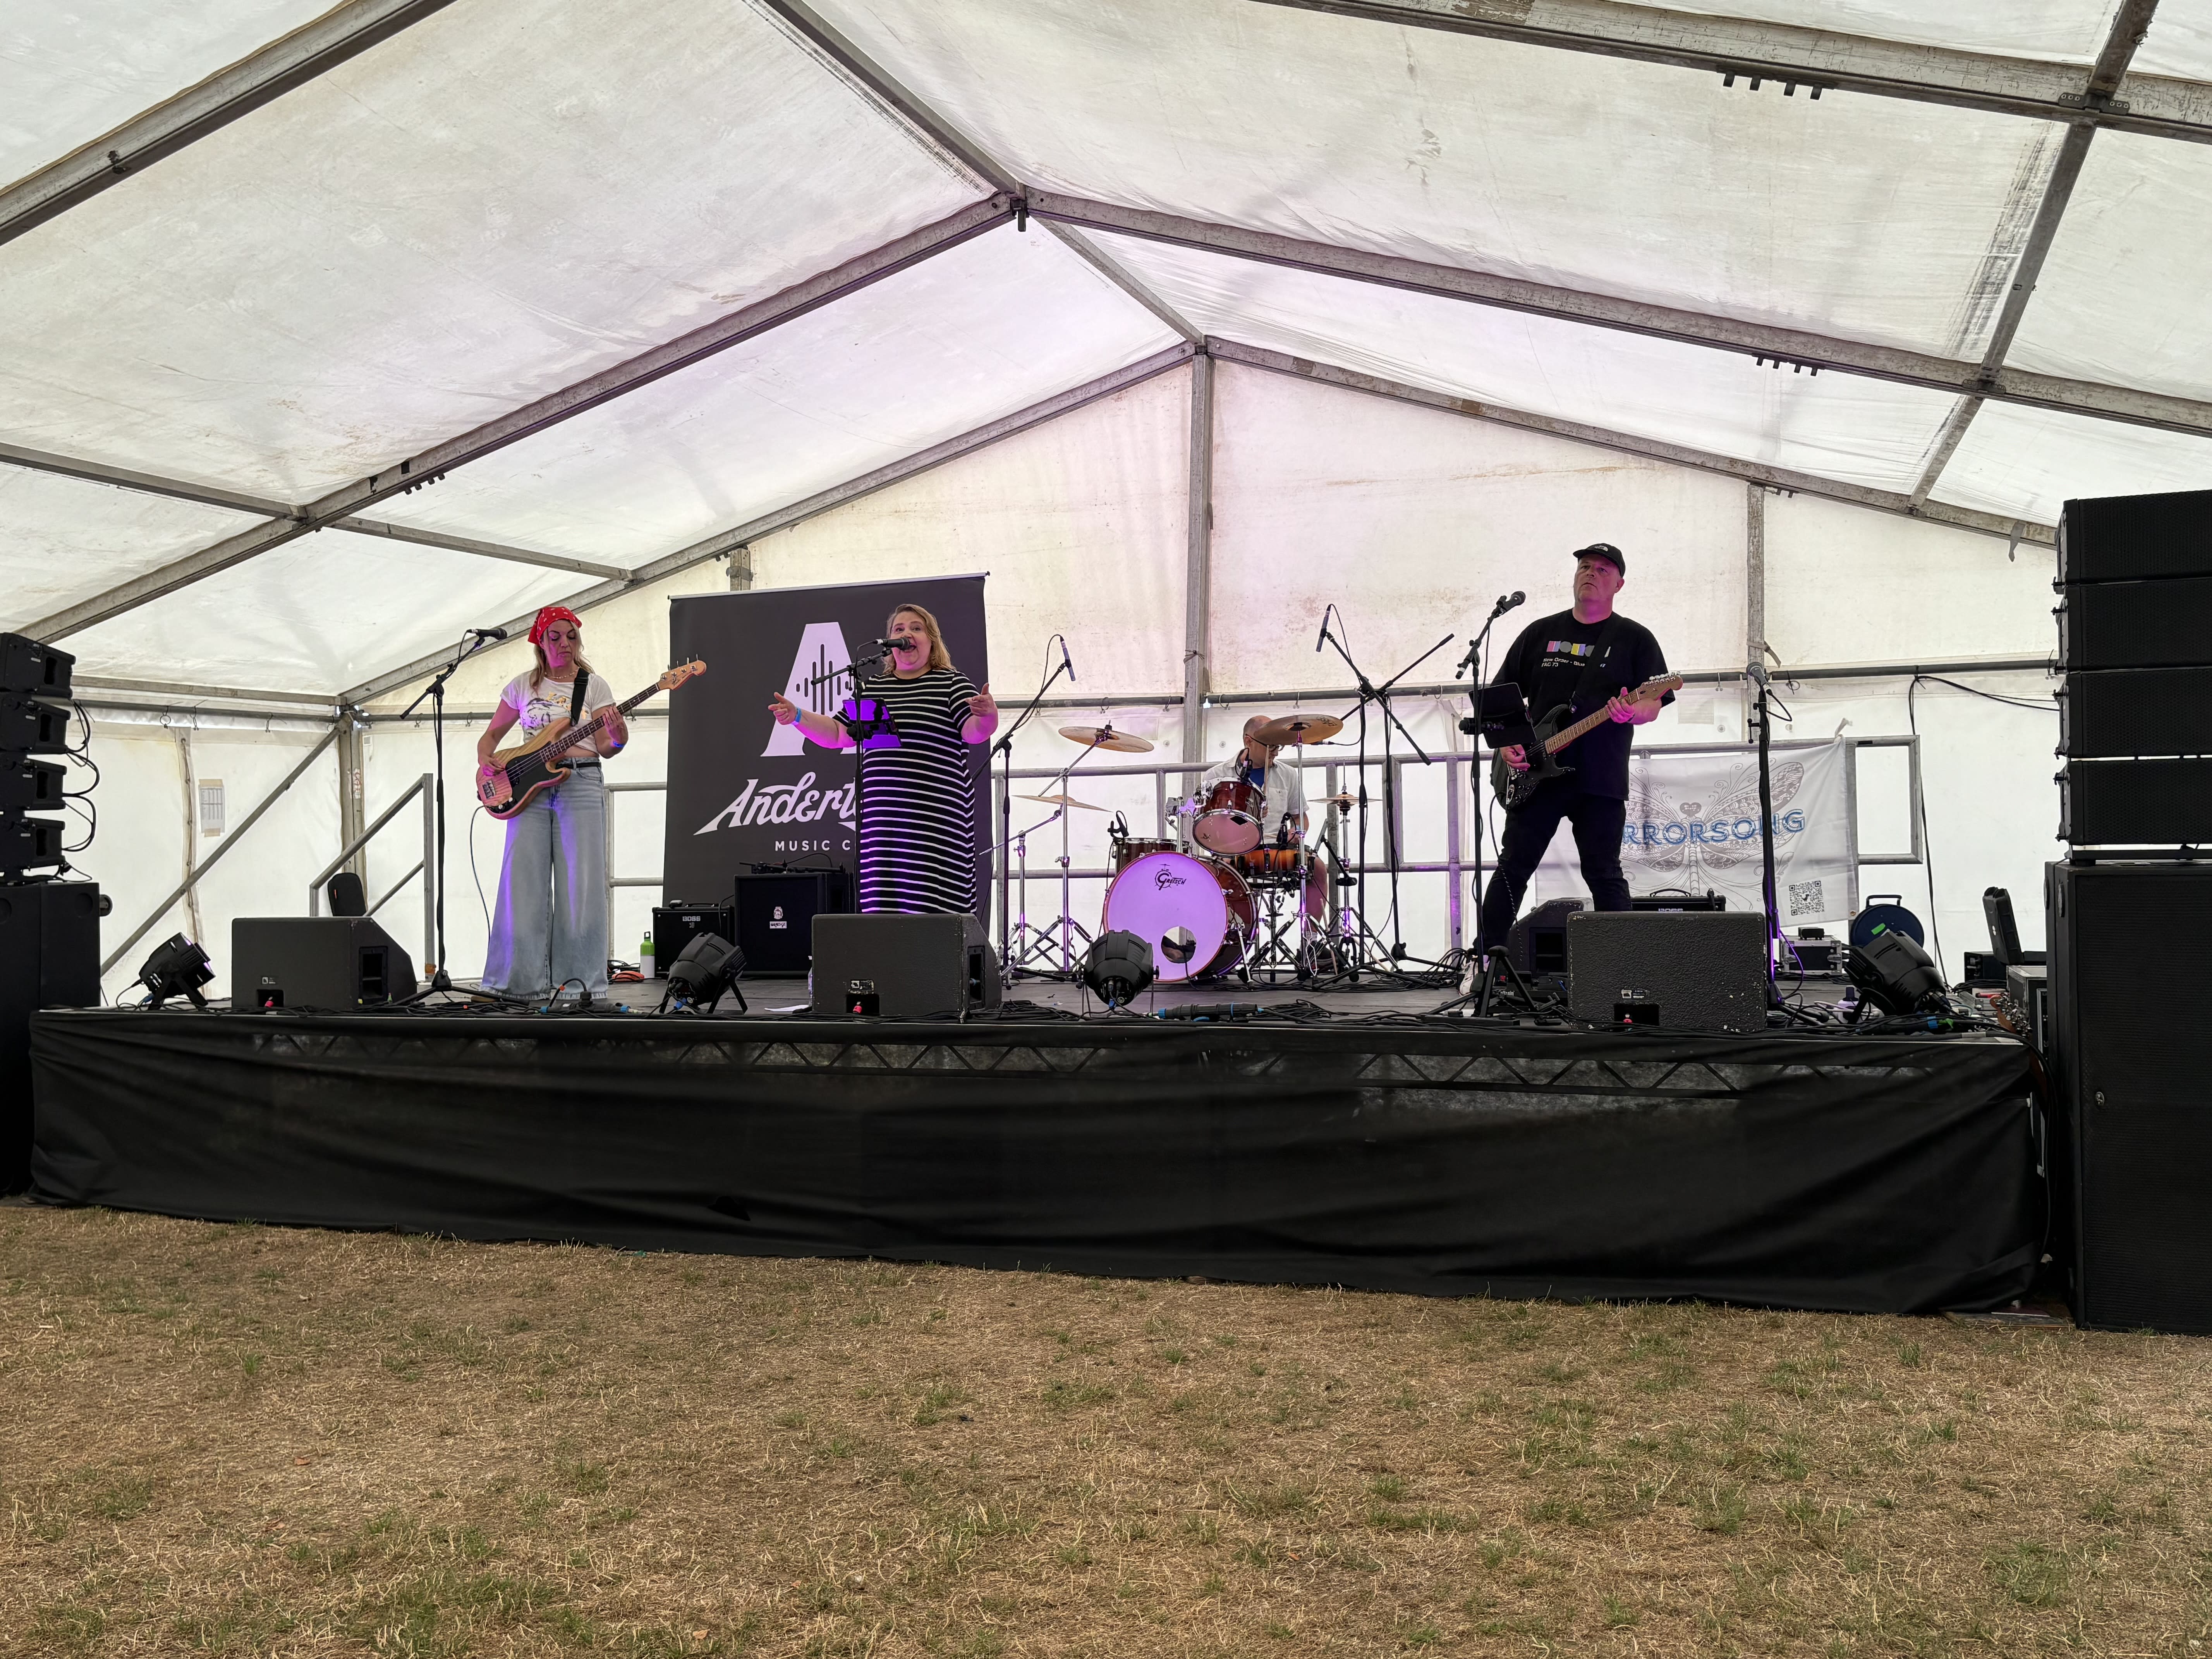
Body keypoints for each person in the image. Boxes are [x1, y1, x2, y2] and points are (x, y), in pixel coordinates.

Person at [1477, 542, 1672, 953]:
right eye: (1585, 566)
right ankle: (1485, 960)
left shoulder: (1635, 639)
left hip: (1600, 777)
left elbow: (1653, 704)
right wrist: (1507, 742)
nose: (1590, 573)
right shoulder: (1540, 633)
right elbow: (1498, 697)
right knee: (1513, 868)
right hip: (1535, 775)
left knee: (1604, 873)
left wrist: (1630, 713)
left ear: (1619, 584)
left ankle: (1622, 969)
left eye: (1602, 570)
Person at [769, 603, 998, 915]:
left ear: (932, 640)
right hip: (884, 830)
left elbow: (975, 733)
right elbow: (838, 734)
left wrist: (988, 715)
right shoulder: (876, 689)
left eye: (916, 628)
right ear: (889, 644)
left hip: (935, 829)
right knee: (884, 920)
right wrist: (796, 716)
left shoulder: (950, 683)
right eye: (899, 630)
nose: (907, 634)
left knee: (935, 920)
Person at [477, 605, 627, 998]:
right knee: (521, 881)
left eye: (571, 636)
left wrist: (619, 736)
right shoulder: (522, 686)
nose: (565, 644)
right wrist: (487, 760)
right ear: (540, 642)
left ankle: (578, 987)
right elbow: (491, 738)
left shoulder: (594, 686)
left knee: (581, 883)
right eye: (555, 637)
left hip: (581, 780)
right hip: (527, 786)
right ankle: (517, 984)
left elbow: (607, 748)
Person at [1195, 716, 1350, 920]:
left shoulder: (1288, 774)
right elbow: (1208, 824)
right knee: (1218, 876)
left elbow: (1300, 818)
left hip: (1277, 847)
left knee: (1318, 869)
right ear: (1248, 741)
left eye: (1279, 746)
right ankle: (1239, 935)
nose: (1276, 752)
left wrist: (1296, 832)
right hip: (1233, 850)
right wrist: (1223, 845)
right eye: (1271, 746)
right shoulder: (1216, 775)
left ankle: (1311, 936)